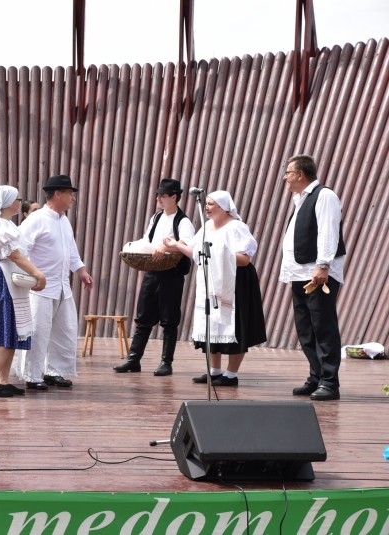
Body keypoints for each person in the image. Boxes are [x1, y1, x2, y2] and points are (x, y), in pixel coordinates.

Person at [165, 191, 267, 386]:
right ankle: (215, 371)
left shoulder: (236, 227)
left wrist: (218, 256)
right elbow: (196, 252)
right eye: (207, 203)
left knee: (234, 324)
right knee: (212, 322)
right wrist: (175, 245)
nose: (207, 207)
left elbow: (245, 259)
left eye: (211, 204)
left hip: (235, 281)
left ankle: (231, 375)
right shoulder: (207, 227)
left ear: (224, 207)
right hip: (212, 280)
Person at [12, 175, 94, 390]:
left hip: (61, 286)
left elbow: (71, 250)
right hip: (39, 288)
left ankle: (54, 371)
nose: (73, 198)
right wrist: (33, 275)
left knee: (64, 330)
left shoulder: (64, 220)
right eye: (70, 194)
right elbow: (20, 250)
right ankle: (32, 374)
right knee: (37, 332)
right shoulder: (36, 219)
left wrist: (81, 270)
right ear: (58, 194)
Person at [280, 154, 346, 401]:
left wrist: (323, 266)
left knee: (323, 326)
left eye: (288, 172)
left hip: (318, 275)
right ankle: (316, 376)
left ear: (300, 174)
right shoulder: (300, 199)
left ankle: (330, 382)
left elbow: (328, 231)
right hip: (300, 275)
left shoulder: (324, 195)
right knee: (306, 329)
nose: (285, 177)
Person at [114, 178, 195, 376]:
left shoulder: (183, 221)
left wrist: (166, 246)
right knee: (143, 318)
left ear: (174, 197)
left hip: (172, 274)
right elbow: (147, 240)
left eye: (163, 195)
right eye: (158, 194)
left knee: (169, 320)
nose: (158, 197)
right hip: (152, 272)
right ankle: (133, 360)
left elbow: (186, 243)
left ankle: (166, 363)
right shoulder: (157, 217)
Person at [0, 186, 45, 397]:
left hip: (8, 276)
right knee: (8, 328)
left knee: (14, 330)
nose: (19, 201)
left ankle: (2, 379)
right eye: (17, 198)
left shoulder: (6, 224)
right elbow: (15, 256)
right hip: (3, 276)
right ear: (8, 203)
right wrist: (38, 274)